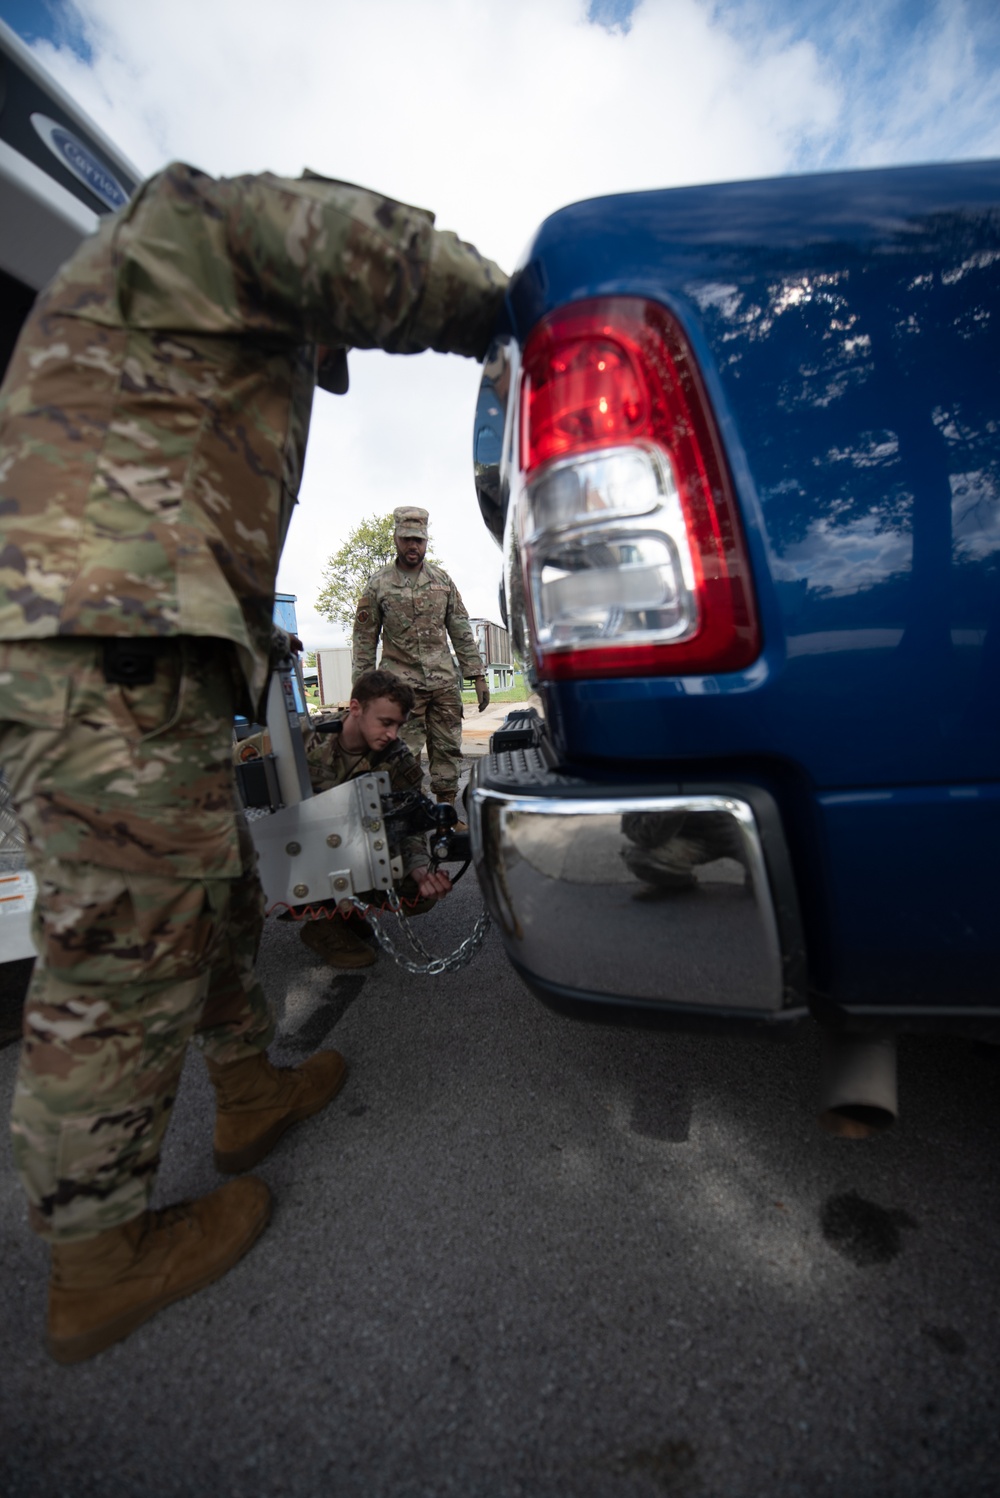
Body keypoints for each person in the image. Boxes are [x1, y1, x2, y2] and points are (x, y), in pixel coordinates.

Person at [0, 160, 507, 1363]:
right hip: (102, 641)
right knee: (118, 950)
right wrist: (505, 304)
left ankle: (247, 1089)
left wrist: (256, 636)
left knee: (215, 899)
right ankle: (98, 1262)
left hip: (144, 643)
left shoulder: (158, 339)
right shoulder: (194, 224)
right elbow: (354, 248)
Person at [243, 669, 453, 969]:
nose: (393, 734)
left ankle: (343, 910)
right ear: (355, 708)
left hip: (347, 849)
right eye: (385, 722)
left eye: (398, 725)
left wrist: (420, 869)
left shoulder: (397, 760)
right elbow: (235, 766)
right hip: (291, 852)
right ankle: (319, 922)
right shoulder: (301, 737)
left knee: (416, 893)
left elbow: (408, 825)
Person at [351, 507, 490, 822]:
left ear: (427, 541)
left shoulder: (442, 581)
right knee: (401, 756)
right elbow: (364, 640)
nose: (413, 546)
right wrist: (361, 691)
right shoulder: (378, 585)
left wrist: (477, 675)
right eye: (406, 539)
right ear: (396, 539)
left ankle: (446, 816)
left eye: (419, 540)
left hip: (443, 684)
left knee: (447, 752)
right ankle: (410, 818)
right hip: (400, 691)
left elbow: (460, 628)